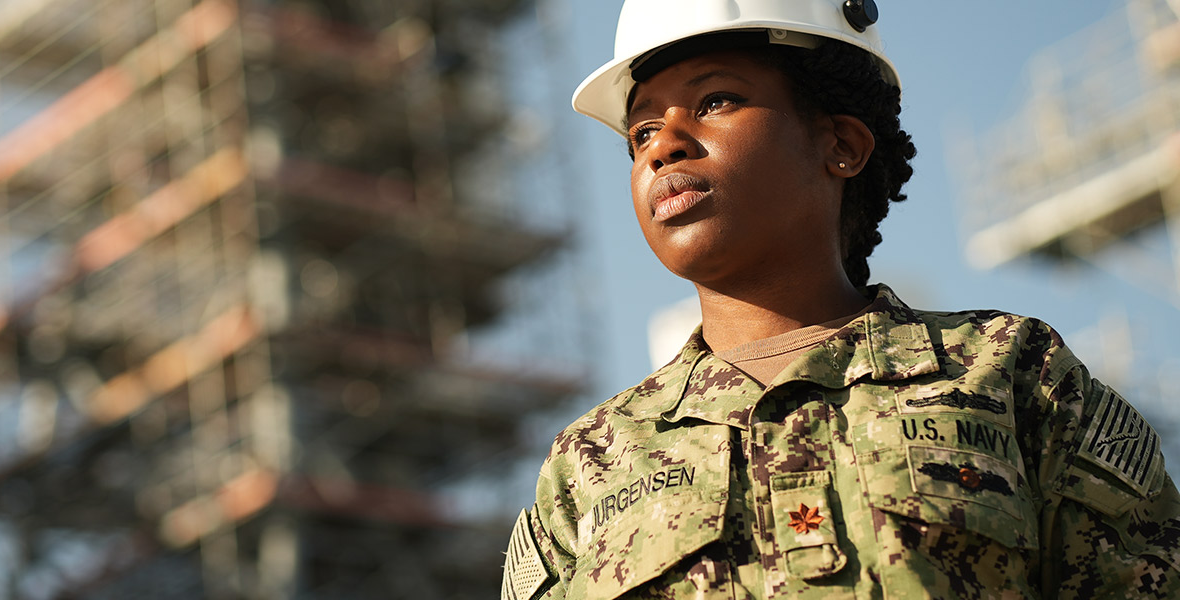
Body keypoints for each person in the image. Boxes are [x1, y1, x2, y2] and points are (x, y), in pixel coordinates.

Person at [500, 1, 1180, 598]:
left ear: (842, 145)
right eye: (641, 132)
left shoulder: (1010, 374)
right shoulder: (590, 461)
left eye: (715, 102)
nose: (663, 146)